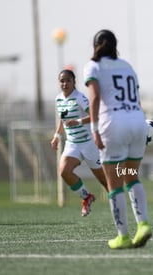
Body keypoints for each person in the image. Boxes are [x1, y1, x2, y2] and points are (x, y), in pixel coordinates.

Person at [84, 29, 152, 249]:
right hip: (137, 122)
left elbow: (94, 98)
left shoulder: (93, 66)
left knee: (114, 184)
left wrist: (94, 130)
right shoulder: (127, 66)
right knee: (131, 175)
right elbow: (137, 99)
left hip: (113, 125)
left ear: (96, 46)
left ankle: (122, 236)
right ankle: (143, 224)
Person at [51, 69, 108, 217]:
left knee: (104, 180)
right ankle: (86, 197)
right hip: (72, 144)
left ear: (74, 82)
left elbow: (95, 115)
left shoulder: (80, 98)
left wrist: (78, 121)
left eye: (68, 80)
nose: (65, 83)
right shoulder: (58, 99)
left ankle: (118, 203)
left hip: (89, 143)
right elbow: (63, 120)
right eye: (62, 81)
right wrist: (57, 136)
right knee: (64, 171)